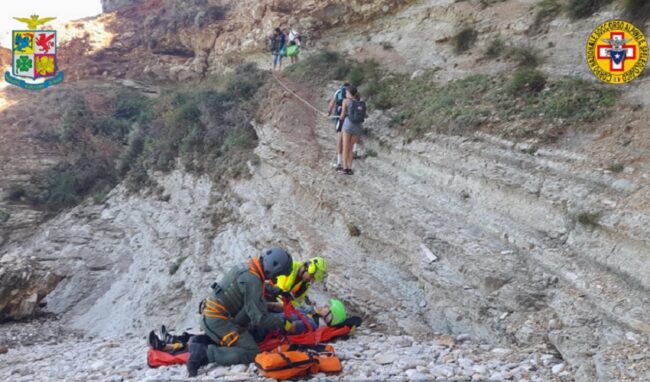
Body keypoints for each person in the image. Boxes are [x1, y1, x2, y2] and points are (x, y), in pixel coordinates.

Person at [186, 247, 295, 377]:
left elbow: (261, 286)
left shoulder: (249, 267)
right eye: (278, 274)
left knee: (254, 310)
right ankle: (204, 354)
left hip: (211, 316)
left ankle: (201, 341)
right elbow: (259, 318)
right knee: (251, 351)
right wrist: (283, 323)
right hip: (217, 320)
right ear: (273, 268)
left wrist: (280, 292)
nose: (276, 277)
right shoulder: (252, 280)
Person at [339, 86, 366, 175]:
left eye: (346, 92)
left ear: (349, 93)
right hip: (357, 127)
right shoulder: (360, 102)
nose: (346, 93)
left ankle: (344, 168)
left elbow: (342, 115)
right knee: (351, 148)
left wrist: (341, 116)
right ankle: (350, 168)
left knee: (345, 147)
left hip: (348, 126)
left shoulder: (346, 101)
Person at [326, 83, 350, 171]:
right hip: (352, 120)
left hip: (340, 118)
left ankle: (339, 162)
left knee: (340, 139)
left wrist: (328, 112)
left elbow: (332, 103)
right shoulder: (353, 94)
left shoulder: (338, 92)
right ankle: (354, 152)